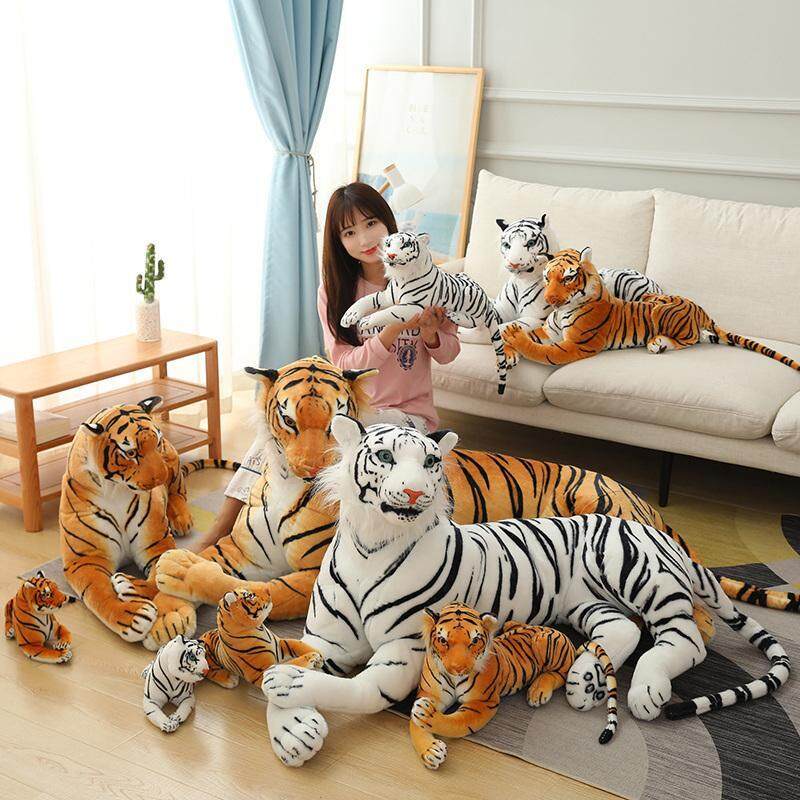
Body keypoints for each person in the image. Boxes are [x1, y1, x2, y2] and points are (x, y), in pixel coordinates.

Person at [192, 182, 460, 549]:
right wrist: (390, 332)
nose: (364, 239)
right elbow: (344, 363)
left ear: (388, 222)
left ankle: (304, 534)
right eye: (349, 232)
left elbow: (449, 352)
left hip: (409, 417)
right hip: (353, 410)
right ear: (338, 241)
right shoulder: (335, 292)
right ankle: (225, 528)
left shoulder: (426, 282)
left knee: (338, 445)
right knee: (270, 435)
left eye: (371, 223)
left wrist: (430, 335)